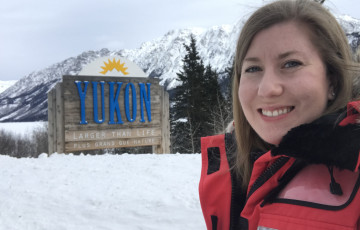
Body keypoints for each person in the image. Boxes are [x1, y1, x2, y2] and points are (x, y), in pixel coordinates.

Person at [199, 0, 360, 229]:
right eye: (253, 68)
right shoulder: (237, 169)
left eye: (291, 64)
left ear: (332, 79)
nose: (267, 89)